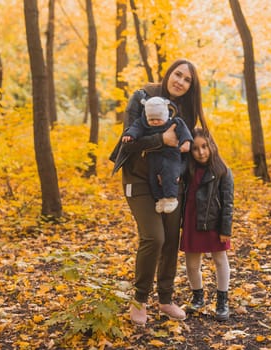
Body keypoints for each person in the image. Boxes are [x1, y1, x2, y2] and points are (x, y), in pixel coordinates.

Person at [111, 58, 208, 326]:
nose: (181, 81)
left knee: (169, 241)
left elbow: (188, 146)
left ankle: (165, 299)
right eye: (178, 75)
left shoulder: (185, 110)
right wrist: (160, 140)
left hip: (171, 183)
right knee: (154, 237)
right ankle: (139, 300)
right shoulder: (143, 97)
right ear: (168, 74)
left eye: (187, 79)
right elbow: (126, 143)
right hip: (139, 180)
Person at [180, 127, 234, 321]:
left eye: (204, 146)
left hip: (213, 223)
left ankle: (222, 301)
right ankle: (198, 297)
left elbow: (228, 203)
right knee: (192, 264)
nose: (201, 152)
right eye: (195, 148)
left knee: (220, 260)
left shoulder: (222, 171)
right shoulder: (187, 169)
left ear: (212, 146)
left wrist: (225, 229)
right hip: (192, 222)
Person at [121, 96, 193, 214]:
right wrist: (130, 134)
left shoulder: (175, 122)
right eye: (151, 119)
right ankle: (160, 199)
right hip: (153, 156)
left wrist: (186, 142)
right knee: (153, 178)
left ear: (165, 115)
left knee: (170, 174)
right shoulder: (143, 122)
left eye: (158, 119)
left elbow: (184, 131)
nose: (155, 122)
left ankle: (171, 198)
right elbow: (136, 127)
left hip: (171, 155)